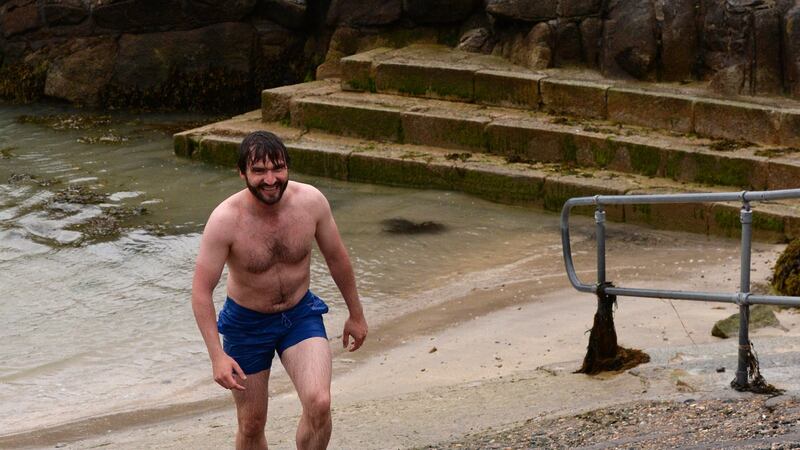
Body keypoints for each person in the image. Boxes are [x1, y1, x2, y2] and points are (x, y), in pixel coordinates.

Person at [191, 130, 368, 450]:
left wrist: (356, 313)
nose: (270, 179)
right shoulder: (225, 220)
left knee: (320, 403)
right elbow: (202, 290)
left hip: (300, 315)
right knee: (251, 423)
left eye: (278, 168)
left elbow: (337, 258)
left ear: (288, 167)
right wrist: (217, 356)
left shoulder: (311, 203)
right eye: (259, 171)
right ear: (242, 172)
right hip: (246, 324)